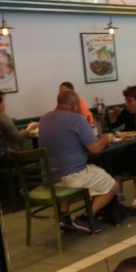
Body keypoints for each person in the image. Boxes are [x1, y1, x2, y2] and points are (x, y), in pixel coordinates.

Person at [37, 89, 119, 231]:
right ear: (74, 104)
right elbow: (95, 149)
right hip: (72, 176)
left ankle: (64, 217)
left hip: (49, 176)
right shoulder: (77, 119)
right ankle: (85, 219)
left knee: (78, 175)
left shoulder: (44, 118)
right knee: (112, 185)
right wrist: (105, 139)